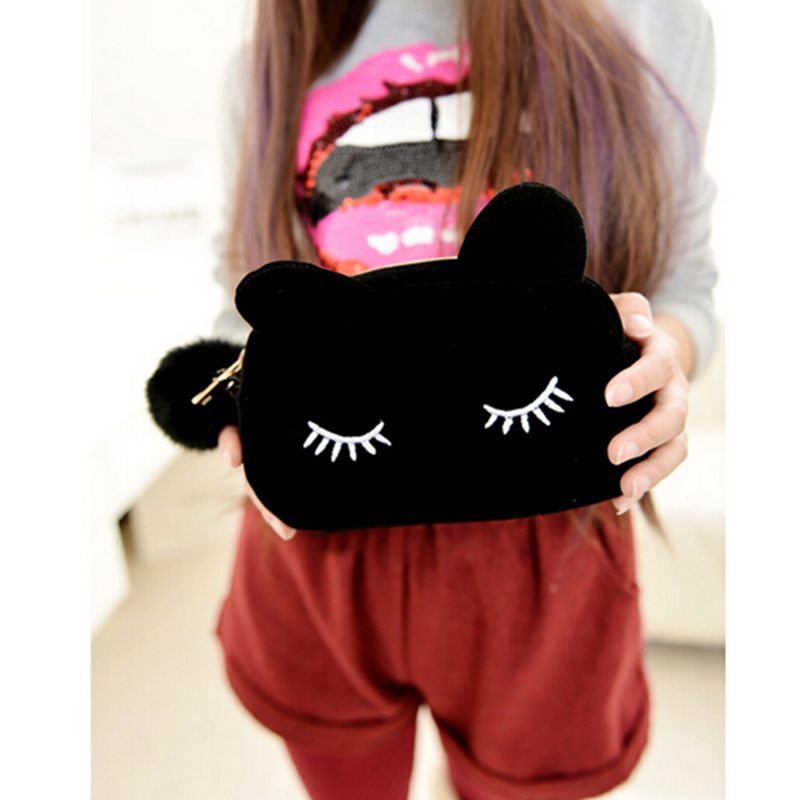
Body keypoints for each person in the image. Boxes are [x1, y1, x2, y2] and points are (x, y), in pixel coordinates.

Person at [211, 1, 717, 797]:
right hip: (326, 535)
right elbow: (241, 297)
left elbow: (685, 282)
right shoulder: (270, 61)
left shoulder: (652, 22)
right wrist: (236, 407)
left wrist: (663, 361)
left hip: (548, 545)